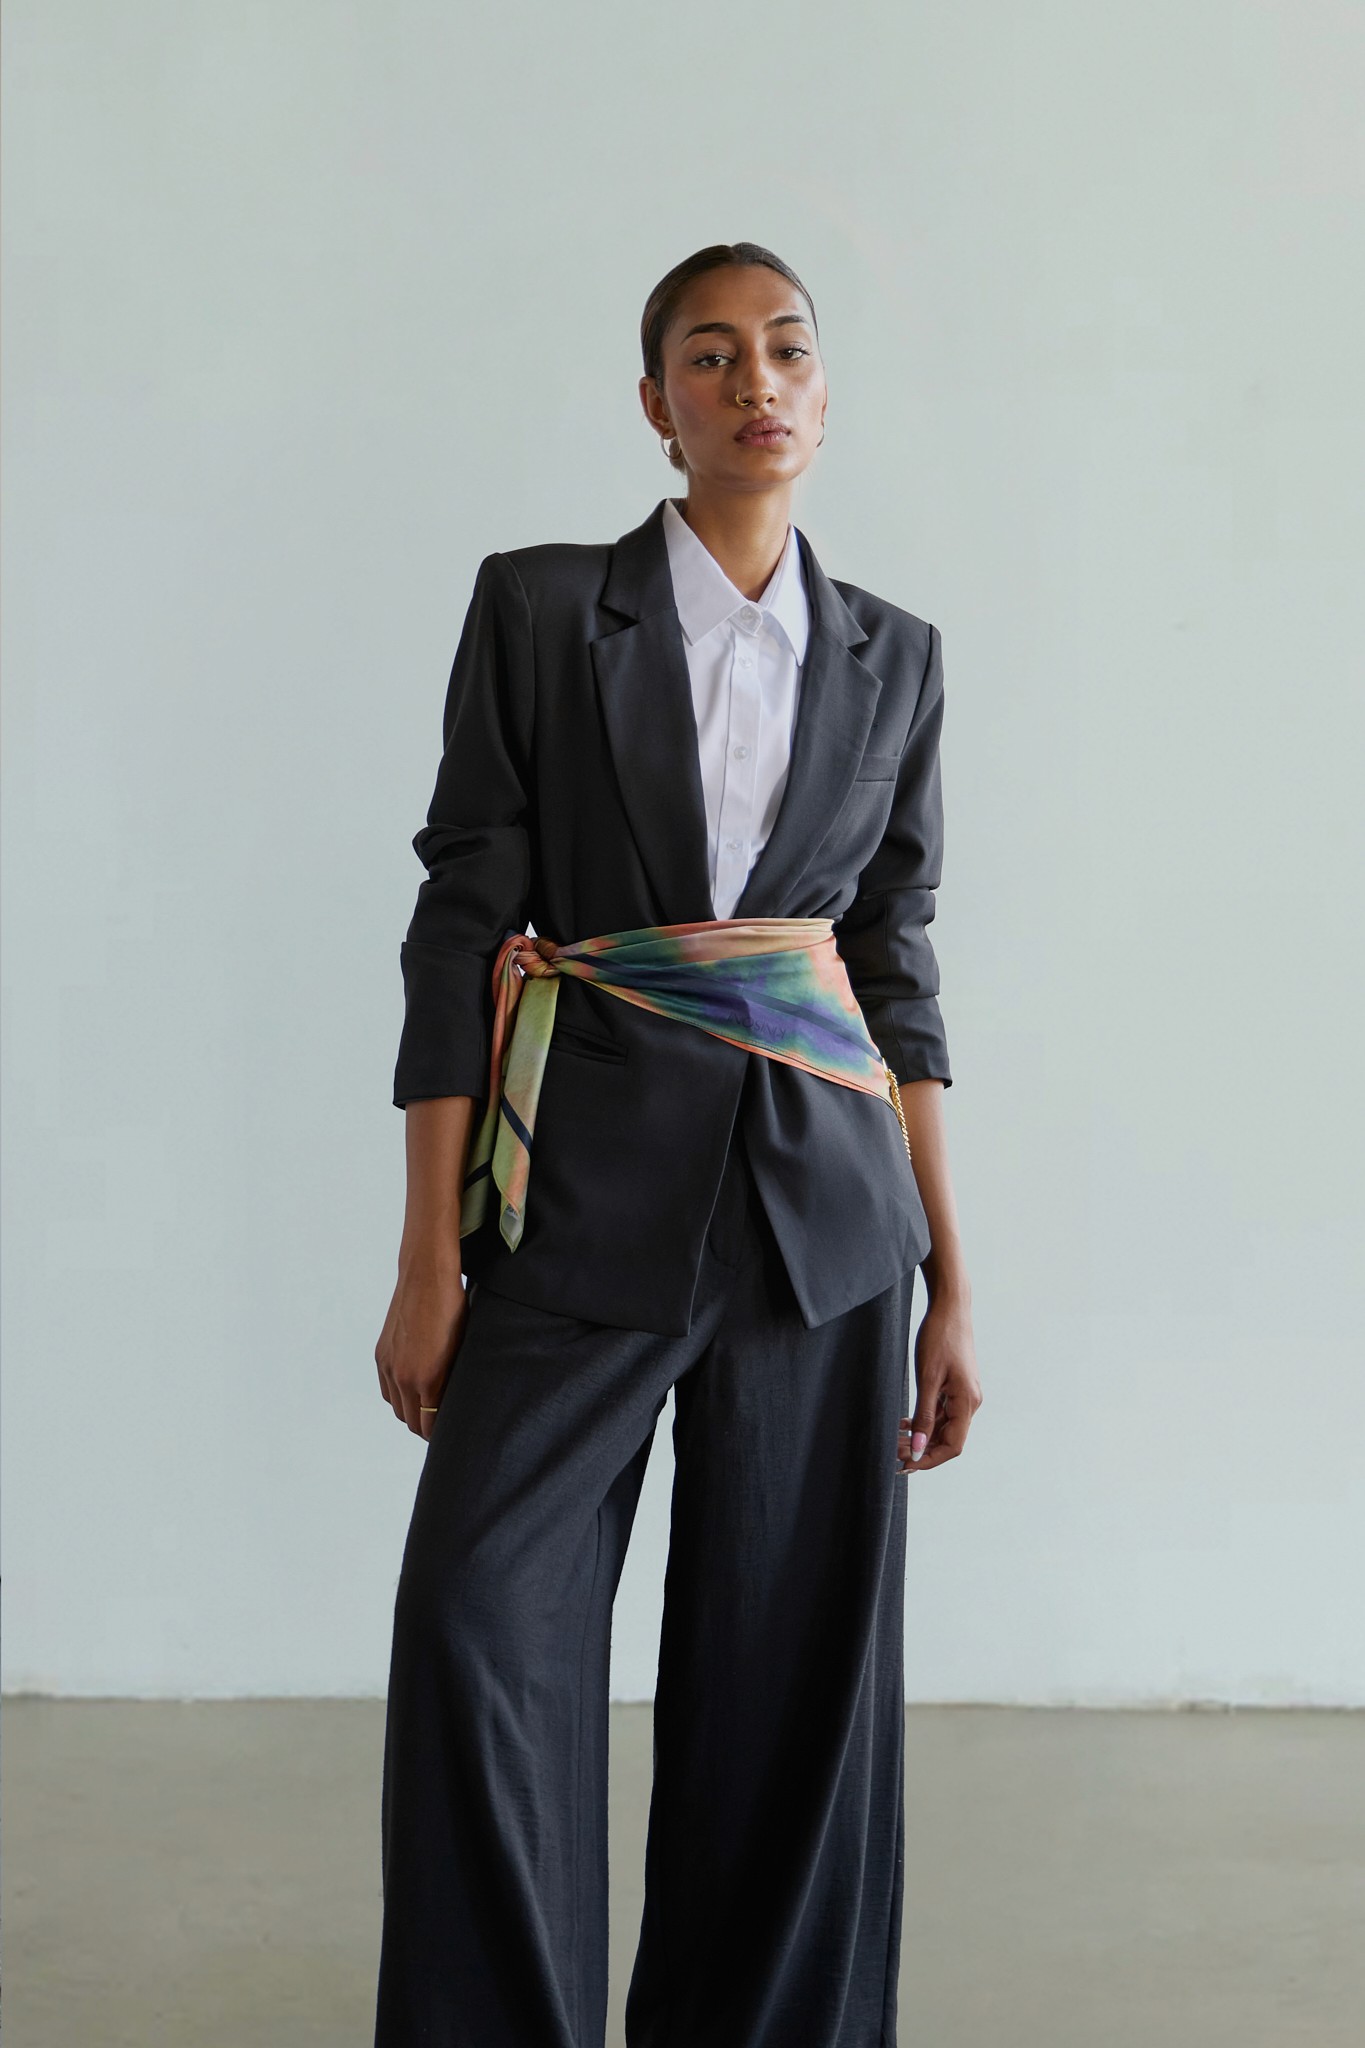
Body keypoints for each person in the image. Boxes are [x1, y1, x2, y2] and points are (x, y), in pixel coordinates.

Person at [371, 240, 982, 2048]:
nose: (753, 383)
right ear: (656, 406)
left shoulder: (894, 656)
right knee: (484, 1619)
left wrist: (953, 1278)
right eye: (707, 358)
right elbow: (455, 932)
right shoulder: (547, 609)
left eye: (784, 349)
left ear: (822, 388)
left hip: (824, 1224)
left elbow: (895, 973)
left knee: (793, 1691)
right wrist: (425, 1261)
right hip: (575, 1210)